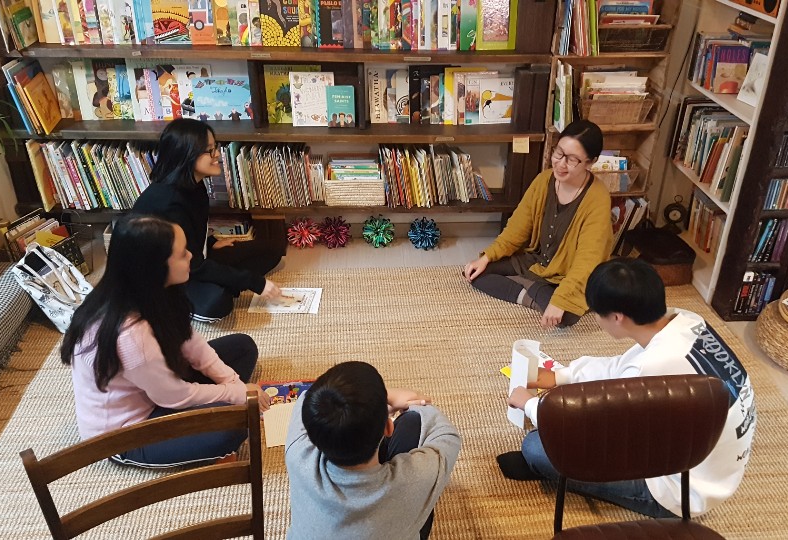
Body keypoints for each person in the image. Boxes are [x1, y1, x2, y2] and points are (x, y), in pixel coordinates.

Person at [499, 257, 756, 519]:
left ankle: (550, 469)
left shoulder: (652, 368)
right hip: (709, 463)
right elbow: (621, 367)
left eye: (596, 313)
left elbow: (592, 425)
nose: (597, 320)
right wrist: (560, 376)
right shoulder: (685, 320)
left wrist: (531, 405)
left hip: (681, 490)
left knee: (536, 447)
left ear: (616, 317)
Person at [60, 215, 270, 468]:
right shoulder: (131, 336)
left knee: (242, 347)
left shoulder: (152, 291)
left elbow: (190, 341)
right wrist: (235, 394)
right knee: (235, 424)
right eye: (182, 254)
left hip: (156, 385)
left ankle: (215, 417)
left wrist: (233, 383)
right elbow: (174, 396)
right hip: (127, 433)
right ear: (155, 267)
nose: (191, 256)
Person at [285, 361, 461, 540]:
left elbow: (306, 398)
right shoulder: (416, 480)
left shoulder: (297, 452)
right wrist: (396, 398)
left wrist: (375, 405)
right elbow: (448, 435)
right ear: (388, 427)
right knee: (412, 422)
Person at [463, 120, 612, 328]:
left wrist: (561, 300)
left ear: (590, 162)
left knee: (566, 316)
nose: (560, 164)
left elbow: (587, 261)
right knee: (476, 273)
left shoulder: (597, 198)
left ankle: (533, 290)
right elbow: (516, 229)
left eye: (572, 160)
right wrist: (487, 257)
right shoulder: (544, 180)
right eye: (559, 153)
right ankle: (536, 291)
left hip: (568, 274)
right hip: (535, 261)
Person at [132, 118, 283, 322]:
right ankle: (182, 300)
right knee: (218, 303)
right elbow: (193, 265)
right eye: (210, 151)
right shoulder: (168, 203)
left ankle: (222, 282)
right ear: (187, 154)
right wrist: (255, 283)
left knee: (272, 251)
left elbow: (192, 232)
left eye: (215, 148)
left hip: (193, 258)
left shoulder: (194, 184)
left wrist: (211, 242)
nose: (217, 155)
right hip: (169, 277)